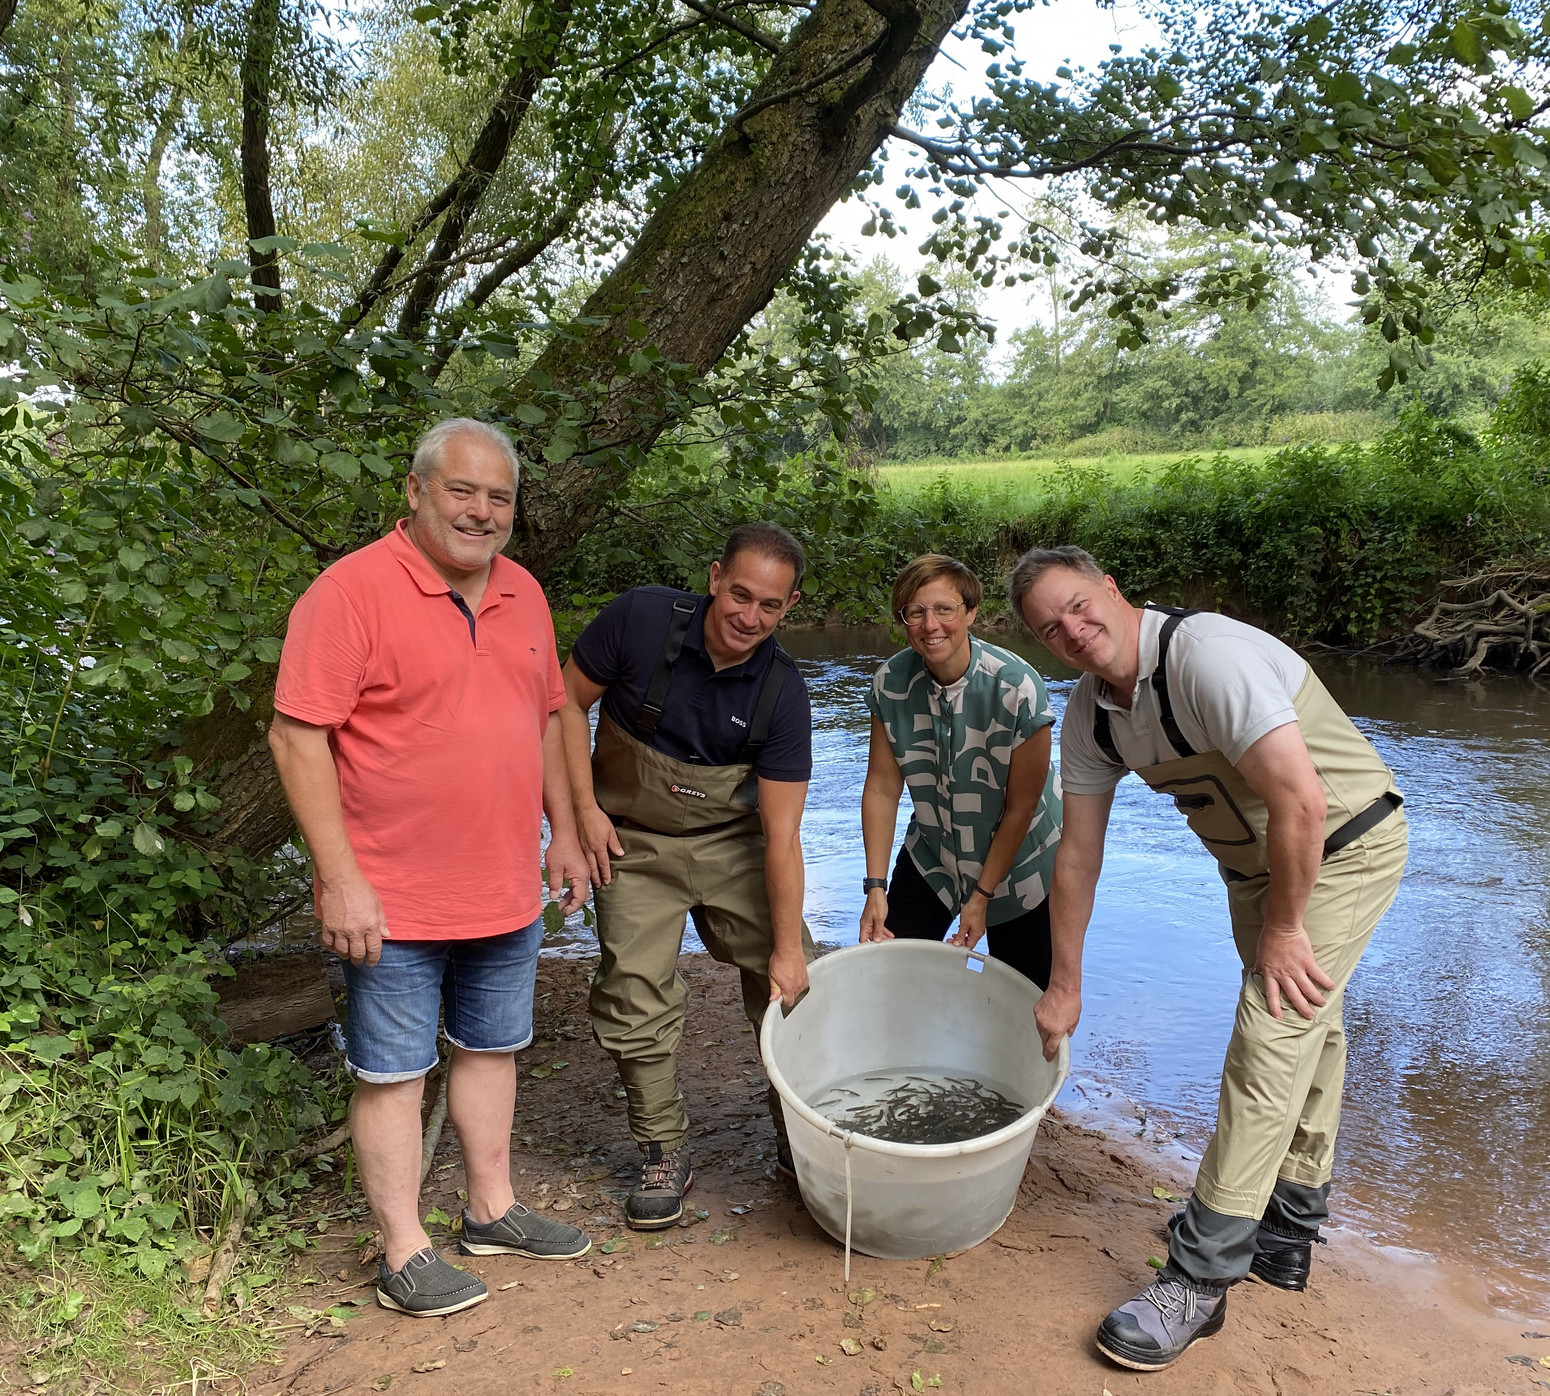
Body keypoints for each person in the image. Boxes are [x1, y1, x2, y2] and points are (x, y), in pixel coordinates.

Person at [1010, 545, 1407, 1373]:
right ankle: (1286, 1231)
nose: (1076, 631)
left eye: (1082, 606)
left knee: (1271, 1036)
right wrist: (1064, 984)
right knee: (1309, 1029)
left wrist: (1286, 929)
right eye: (1052, 627)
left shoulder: (1206, 659)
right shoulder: (1091, 715)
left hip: (1340, 847)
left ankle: (1198, 1278)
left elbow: (1299, 796)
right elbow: (1077, 857)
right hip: (1256, 870)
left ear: (1112, 589)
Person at [268, 418, 595, 1319]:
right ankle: (402, 1249)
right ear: (414, 493)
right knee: (393, 1071)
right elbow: (297, 738)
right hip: (390, 896)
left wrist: (562, 832)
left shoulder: (525, 593)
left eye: (499, 498)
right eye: (463, 491)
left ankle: (490, 1208)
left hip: (502, 886)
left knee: (494, 1049)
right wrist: (338, 880)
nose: (482, 512)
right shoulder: (350, 593)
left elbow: (545, 722)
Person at [559, 523, 816, 1231]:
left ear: (788, 608)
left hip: (736, 845)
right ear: (713, 577)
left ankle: (804, 1139)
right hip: (630, 840)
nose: (749, 617)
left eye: (769, 606)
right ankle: (664, 1148)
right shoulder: (639, 619)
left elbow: (783, 835)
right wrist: (580, 816)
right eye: (740, 595)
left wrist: (787, 947)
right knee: (633, 993)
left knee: (797, 983)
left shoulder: (785, 692)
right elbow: (560, 703)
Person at [858, 554, 1062, 990]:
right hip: (933, 852)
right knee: (896, 975)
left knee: (1025, 996)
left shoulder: (1017, 687)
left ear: (970, 612)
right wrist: (875, 886)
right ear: (903, 621)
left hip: (1021, 867)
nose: (931, 625)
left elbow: (1021, 808)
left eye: (944, 609)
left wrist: (981, 897)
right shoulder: (889, 683)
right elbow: (880, 788)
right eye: (916, 612)